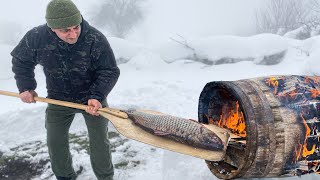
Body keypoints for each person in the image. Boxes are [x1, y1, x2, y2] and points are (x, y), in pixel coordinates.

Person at [11, 0, 120, 179]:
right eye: (66, 30)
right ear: (52, 28)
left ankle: (106, 177)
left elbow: (109, 70)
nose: (73, 34)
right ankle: (65, 177)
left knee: (100, 142)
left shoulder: (94, 38)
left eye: (75, 27)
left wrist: (97, 96)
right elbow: (21, 60)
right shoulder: (37, 37)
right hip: (58, 98)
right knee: (55, 142)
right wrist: (26, 87)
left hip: (92, 100)